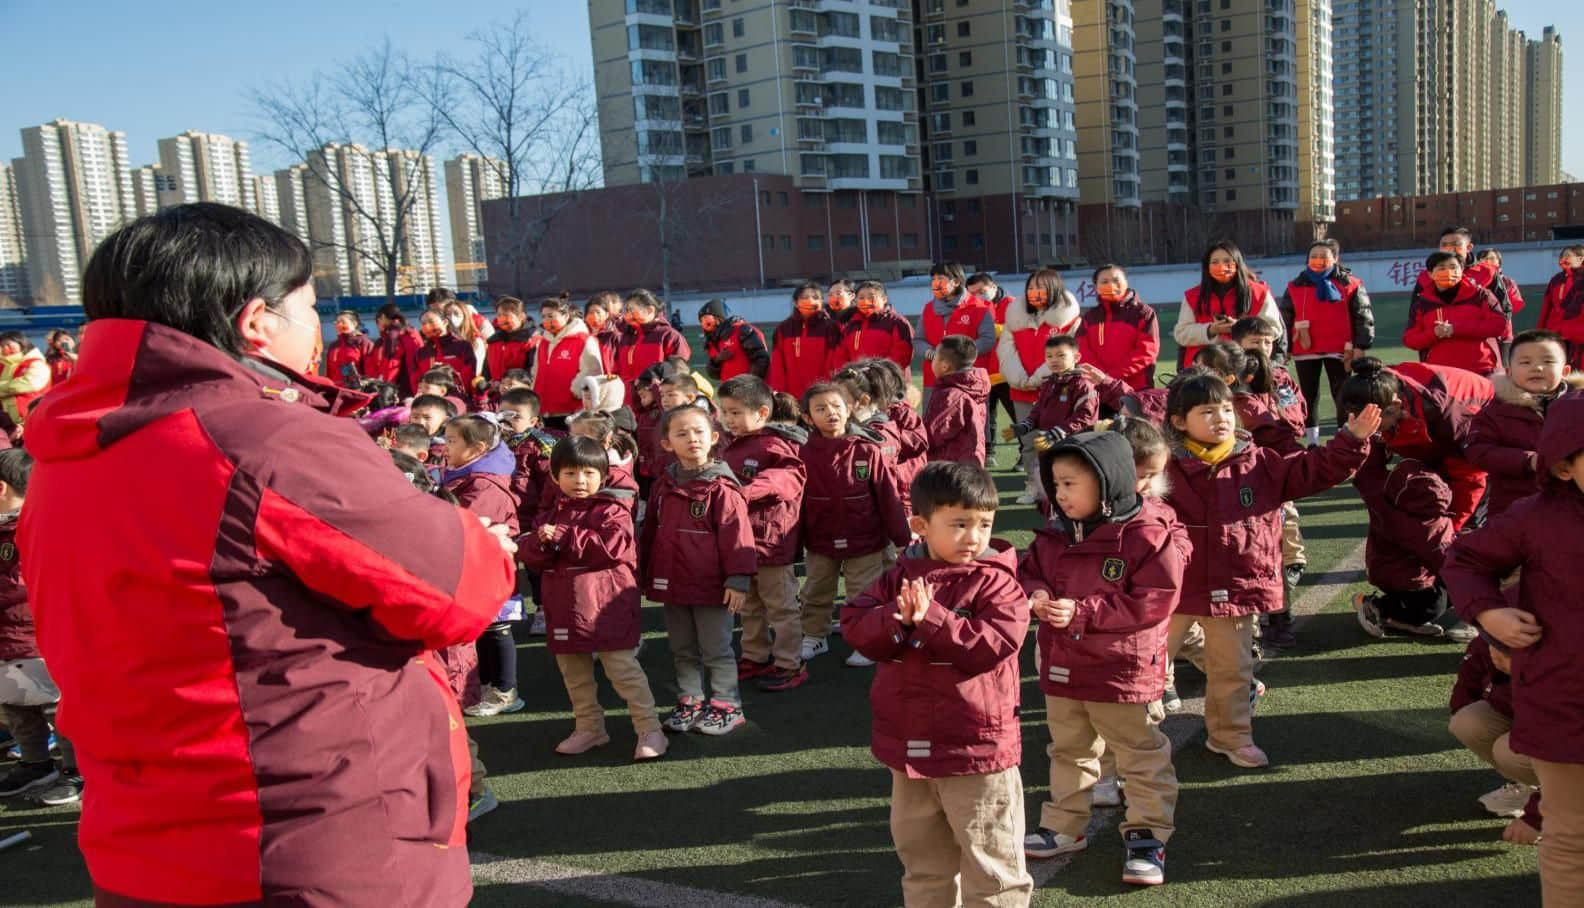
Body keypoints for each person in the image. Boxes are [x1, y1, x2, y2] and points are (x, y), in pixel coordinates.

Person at [19, 203, 517, 906]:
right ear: (256, 321)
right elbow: (455, 591)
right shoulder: (259, 440)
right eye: (309, 307)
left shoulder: (65, 451)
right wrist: (485, 543)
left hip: (142, 838)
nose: (318, 327)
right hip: (304, 838)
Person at [1163, 371, 1379, 768]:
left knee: (1232, 670)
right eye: (1207, 411)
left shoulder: (1258, 462)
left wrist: (1351, 440)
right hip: (1173, 589)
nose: (1221, 418)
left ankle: (1231, 737)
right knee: (1146, 666)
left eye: (1227, 409)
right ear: (1179, 422)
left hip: (1234, 586)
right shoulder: (1163, 467)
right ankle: (1130, 747)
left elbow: (1314, 471)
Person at [843, 462, 1034, 908]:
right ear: (920, 525)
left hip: (977, 753)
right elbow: (855, 625)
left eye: (984, 524)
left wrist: (930, 619)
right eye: (959, 524)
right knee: (924, 863)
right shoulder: (897, 579)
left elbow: (994, 644)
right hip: (909, 750)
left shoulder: (999, 583)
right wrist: (898, 619)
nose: (974, 536)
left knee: (993, 868)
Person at [1019, 431, 1187, 886]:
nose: (1060, 493)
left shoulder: (1147, 533)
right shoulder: (1054, 531)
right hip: (1063, 666)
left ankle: (1149, 835)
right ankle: (1063, 824)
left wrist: (1082, 611)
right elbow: (1030, 570)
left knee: (1139, 755)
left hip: (1122, 671)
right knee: (1069, 750)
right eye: (1056, 483)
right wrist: (1035, 593)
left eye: (1071, 483)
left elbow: (1154, 600)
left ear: (1109, 481)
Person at [1443, 395, 1584, 906]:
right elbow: (1463, 559)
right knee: (1570, 839)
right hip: (1564, 704)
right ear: (1564, 466)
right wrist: (1487, 612)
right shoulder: (1536, 517)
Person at [520, 436, 665, 761]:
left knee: (623, 670)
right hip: (563, 607)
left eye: (587, 473)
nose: (579, 481)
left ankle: (649, 727)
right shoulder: (551, 513)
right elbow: (532, 554)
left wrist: (560, 537)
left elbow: (612, 548)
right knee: (574, 674)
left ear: (603, 475)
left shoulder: (614, 509)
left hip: (606, 606)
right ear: (556, 477)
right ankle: (589, 727)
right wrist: (540, 544)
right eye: (570, 474)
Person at [640, 405, 756, 736]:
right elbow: (650, 534)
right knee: (681, 648)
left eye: (699, 432)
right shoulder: (664, 485)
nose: (692, 439)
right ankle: (690, 700)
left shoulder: (721, 487)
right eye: (681, 433)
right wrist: (645, 574)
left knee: (717, 649)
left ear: (713, 438)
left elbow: (738, 537)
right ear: (666, 444)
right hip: (674, 584)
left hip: (712, 587)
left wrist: (738, 579)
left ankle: (727, 705)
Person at [797, 382, 911, 663]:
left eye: (836, 406)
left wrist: (902, 539)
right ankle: (814, 635)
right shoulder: (802, 453)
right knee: (816, 588)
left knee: (864, 591)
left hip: (866, 538)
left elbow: (888, 496)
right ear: (808, 418)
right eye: (820, 409)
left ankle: (867, 642)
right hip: (821, 539)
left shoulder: (867, 450)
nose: (830, 413)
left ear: (849, 409)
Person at [717, 375, 810, 691]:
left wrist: (747, 490)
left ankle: (790, 663)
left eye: (736, 413)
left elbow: (788, 477)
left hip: (772, 543)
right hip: (743, 544)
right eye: (725, 412)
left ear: (762, 413)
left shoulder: (775, 443)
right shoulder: (730, 445)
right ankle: (755, 656)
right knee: (750, 605)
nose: (730, 420)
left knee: (782, 607)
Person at [0, 449, 78, 806]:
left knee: (57, 707)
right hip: (9, 640)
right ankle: (35, 764)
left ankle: (75, 771)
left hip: (37, 637)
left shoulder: (32, 527)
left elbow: (24, 585)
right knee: (15, 705)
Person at [1338, 358, 1494, 531]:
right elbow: (1368, 472)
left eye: (1371, 420)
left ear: (1395, 407)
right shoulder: (1376, 388)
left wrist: (1452, 530)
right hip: (1424, 424)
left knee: (1463, 525)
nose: (1363, 426)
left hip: (1479, 420)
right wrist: (1383, 514)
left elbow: (1471, 480)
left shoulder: (1448, 419)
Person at [1349, 438, 1470, 640]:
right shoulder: (1429, 527)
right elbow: (1446, 562)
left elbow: (1367, 473)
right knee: (1436, 602)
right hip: (1407, 578)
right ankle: (1380, 609)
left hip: (1385, 569)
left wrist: (1378, 442)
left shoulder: (1383, 494)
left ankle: (1391, 611)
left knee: (1442, 586)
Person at [1466, 330, 1583, 517]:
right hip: (1513, 509)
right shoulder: (1495, 410)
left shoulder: (1578, 406)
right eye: (1525, 362)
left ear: (1565, 371)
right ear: (1508, 371)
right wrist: (1529, 461)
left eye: (1548, 362)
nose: (1537, 368)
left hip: (1573, 508)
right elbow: (1478, 451)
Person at [998, 268, 1083, 501]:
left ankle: (1062, 486)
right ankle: (1033, 485)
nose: (1035, 292)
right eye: (1031, 287)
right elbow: (1006, 351)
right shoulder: (1014, 319)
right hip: (1021, 390)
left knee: (1058, 440)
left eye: (1041, 287)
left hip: (1058, 390)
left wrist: (1038, 378)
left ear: (1054, 289)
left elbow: (1070, 353)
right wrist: (1020, 379)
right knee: (1028, 442)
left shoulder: (1069, 319)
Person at [1448, 634, 1542, 841]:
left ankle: (1564, 803)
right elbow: (1465, 690)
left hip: (1569, 746)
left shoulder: (1555, 668)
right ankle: (1530, 790)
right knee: (1468, 721)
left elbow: (1564, 742)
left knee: (1509, 752)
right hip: (1536, 726)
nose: (1493, 650)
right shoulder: (1488, 641)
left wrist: (1538, 816)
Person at [1278, 240, 1374, 442]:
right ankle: (1312, 441)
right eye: (1314, 256)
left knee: (1341, 395)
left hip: (1341, 349)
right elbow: (1285, 319)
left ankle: (1342, 437)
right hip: (1305, 348)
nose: (1318, 260)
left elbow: (1363, 316)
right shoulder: (1295, 286)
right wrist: (1283, 348)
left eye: (1324, 256)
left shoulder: (1351, 283)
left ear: (1335, 259)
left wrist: (1361, 345)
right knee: (1308, 396)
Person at [1008, 335, 1099, 502]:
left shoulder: (1083, 384)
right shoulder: (1049, 383)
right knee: (1048, 477)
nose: (1054, 360)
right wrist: (1025, 425)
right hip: (1048, 444)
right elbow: (1038, 410)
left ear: (1076, 357)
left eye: (1061, 355)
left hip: (1072, 445)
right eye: (1049, 356)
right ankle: (1044, 499)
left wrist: (1056, 433)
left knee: (1070, 480)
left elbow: (1085, 416)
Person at [1173, 241, 1284, 369]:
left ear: (1237, 264)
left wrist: (1239, 327)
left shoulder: (1259, 293)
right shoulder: (1192, 296)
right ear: (1207, 266)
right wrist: (1210, 330)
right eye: (1215, 262)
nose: (1221, 266)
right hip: (1202, 369)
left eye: (1227, 261)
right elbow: (1181, 334)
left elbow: (1274, 329)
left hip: (1248, 367)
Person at [1403, 251, 1508, 377]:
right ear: (1430, 274)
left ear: (1462, 269)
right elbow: (1410, 339)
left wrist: (1455, 329)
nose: (1448, 272)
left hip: (1483, 370)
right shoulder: (1422, 304)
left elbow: (1498, 325)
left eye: (1453, 267)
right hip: (1441, 375)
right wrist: (1434, 333)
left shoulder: (1481, 295)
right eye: (1442, 268)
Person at [917, 262, 993, 407]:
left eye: (941, 279)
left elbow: (988, 340)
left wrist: (960, 354)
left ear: (957, 281)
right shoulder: (928, 309)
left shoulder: (978, 307)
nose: (935, 283)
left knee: (973, 423)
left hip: (969, 380)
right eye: (933, 279)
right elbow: (919, 340)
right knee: (934, 424)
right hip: (934, 380)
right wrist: (933, 354)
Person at [1078, 264, 1160, 392]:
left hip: (1135, 389)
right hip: (1097, 388)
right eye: (1104, 281)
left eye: (1116, 280)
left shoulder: (1143, 313)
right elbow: (1081, 349)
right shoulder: (1090, 317)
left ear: (1126, 283)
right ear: (1095, 287)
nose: (1111, 285)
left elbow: (1147, 351)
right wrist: (1099, 377)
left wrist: (1109, 377)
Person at [967, 272, 1019, 463]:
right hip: (982, 372)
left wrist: (998, 329)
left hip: (1007, 371)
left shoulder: (1013, 304)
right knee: (986, 416)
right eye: (973, 293)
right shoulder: (971, 308)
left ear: (993, 286)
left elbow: (1021, 329)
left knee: (1017, 414)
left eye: (981, 290)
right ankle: (988, 453)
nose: (978, 295)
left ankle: (1025, 454)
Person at [530, 295, 604, 425]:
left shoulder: (583, 340)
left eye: (551, 316)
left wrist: (576, 390)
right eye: (544, 316)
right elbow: (536, 371)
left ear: (565, 316)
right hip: (544, 408)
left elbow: (592, 370)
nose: (547, 320)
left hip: (570, 409)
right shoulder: (543, 342)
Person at [769, 280, 842, 401]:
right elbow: (777, 365)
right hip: (791, 397)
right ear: (795, 302)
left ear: (821, 301)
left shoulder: (832, 327)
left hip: (822, 394)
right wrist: (780, 394)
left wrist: (828, 389)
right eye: (804, 297)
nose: (810, 300)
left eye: (815, 297)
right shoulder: (783, 329)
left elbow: (834, 363)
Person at [923, 334, 990, 466]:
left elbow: (929, 436)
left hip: (949, 470)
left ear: (945, 366)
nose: (932, 360)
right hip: (970, 463)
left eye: (935, 356)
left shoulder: (950, 395)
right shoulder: (974, 386)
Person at [836, 280, 915, 380]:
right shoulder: (851, 326)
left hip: (889, 383)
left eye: (871, 297)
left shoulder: (897, 323)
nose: (866, 301)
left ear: (884, 299)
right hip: (857, 383)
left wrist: (880, 375)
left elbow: (902, 355)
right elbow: (841, 356)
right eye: (861, 298)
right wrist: (848, 375)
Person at [616, 289, 691, 385]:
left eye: (631, 310)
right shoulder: (626, 337)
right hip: (627, 397)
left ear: (650, 310)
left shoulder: (669, 336)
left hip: (657, 396)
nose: (627, 315)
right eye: (625, 310)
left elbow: (679, 371)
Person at [1474, 248, 1526, 365]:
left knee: (1505, 365)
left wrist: (1498, 311)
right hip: (1481, 332)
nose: (1487, 262)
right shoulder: (1473, 281)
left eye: (1492, 259)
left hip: (1504, 332)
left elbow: (1516, 304)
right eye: (1484, 259)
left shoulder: (1507, 282)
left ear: (1499, 262)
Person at [699, 299, 770, 382]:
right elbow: (714, 374)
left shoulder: (741, 330)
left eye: (706, 318)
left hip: (750, 390)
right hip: (729, 391)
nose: (704, 323)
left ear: (718, 317)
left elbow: (761, 359)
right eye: (701, 320)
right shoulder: (711, 342)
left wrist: (750, 385)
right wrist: (717, 360)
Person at [1539, 245, 1584, 372]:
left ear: (1581, 259)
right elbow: (1546, 308)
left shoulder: (1581, 278)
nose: (1563, 259)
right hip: (1557, 331)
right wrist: (1541, 331)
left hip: (1577, 333)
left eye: (1568, 256)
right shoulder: (1556, 279)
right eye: (1562, 256)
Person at [416, 308, 479, 394]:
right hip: (428, 399)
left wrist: (456, 392)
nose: (427, 326)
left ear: (445, 322)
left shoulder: (462, 345)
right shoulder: (421, 352)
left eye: (431, 321)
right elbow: (416, 379)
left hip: (457, 397)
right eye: (423, 323)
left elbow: (468, 374)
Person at [367, 303, 425, 393]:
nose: (378, 325)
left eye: (378, 321)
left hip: (402, 384)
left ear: (383, 317)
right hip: (414, 381)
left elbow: (392, 363)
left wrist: (385, 385)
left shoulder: (394, 334)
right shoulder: (409, 331)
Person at [0, 331, 50, 431]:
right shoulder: (3, 365)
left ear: (21, 343)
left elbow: (30, 384)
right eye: (2, 345)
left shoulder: (36, 362)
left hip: (31, 418)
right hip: (7, 422)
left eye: (9, 344)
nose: (6, 348)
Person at [484, 296, 536, 386]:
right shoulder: (494, 341)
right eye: (499, 315)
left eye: (506, 315)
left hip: (519, 393)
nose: (501, 318)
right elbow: (486, 370)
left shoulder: (531, 341)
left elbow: (532, 371)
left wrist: (511, 384)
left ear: (521, 316)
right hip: (495, 393)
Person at [324, 310, 375, 388]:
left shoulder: (364, 343)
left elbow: (371, 372)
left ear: (354, 324)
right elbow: (329, 373)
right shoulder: (333, 346)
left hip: (358, 392)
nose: (339, 325)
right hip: (336, 392)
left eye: (343, 322)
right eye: (337, 322)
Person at [584, 292, 623, 374]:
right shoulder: (581, 336)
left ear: (606, 314)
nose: (594, 315)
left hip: (609, 380)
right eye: (590, 312)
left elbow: (622, 362)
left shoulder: (614, 336)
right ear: (585, 316)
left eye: (598, 312)